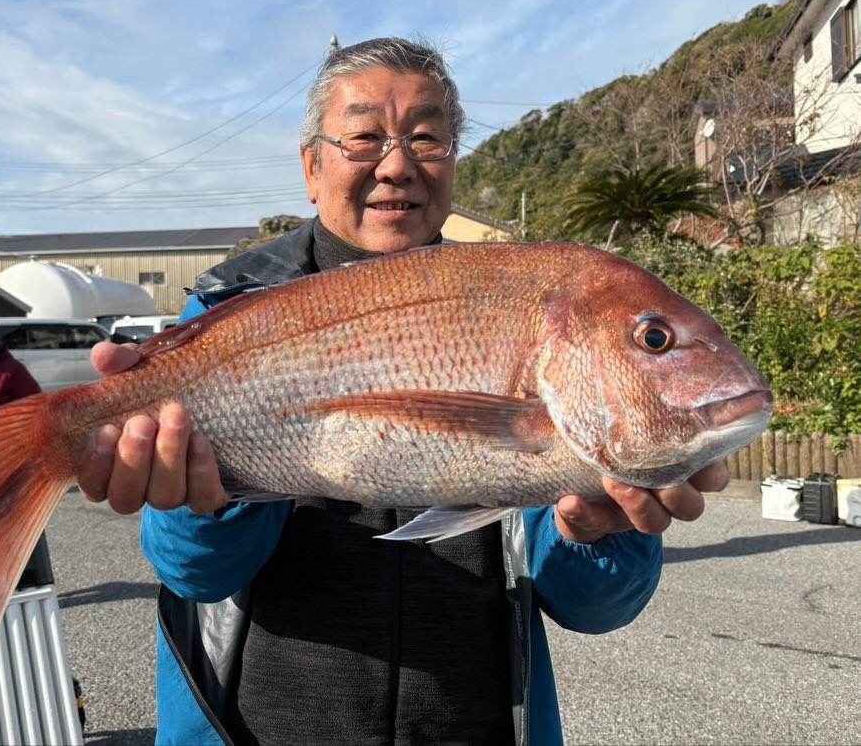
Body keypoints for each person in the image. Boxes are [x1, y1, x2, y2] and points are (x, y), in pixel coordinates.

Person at [76, 37, 729, 745]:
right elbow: (194, 575)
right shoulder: (224, 319)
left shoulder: (518, 304)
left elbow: (590, 609)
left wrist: (605, 532)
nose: (396, 164)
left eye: (427, 137)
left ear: (452, 161)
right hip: (259, 727)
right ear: (310, 167)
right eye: (363, 137)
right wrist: (201, 507)